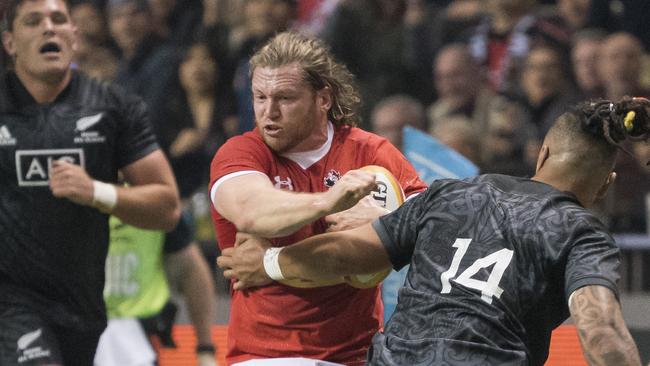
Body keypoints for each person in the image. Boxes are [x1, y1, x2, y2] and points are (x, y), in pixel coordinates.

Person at [218, 97, 649, 365]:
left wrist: (268, 262)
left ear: (544, 153)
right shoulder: (583, 235)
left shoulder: (451, 195)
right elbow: (601, 330)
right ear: (605, 187)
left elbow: (345, 255)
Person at [208, 31, 427, 365]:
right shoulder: (241, 153)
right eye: (260, 97)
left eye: (285, 98)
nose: (269, 112)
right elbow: (252, 211)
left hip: (354, 355)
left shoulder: (370, 153)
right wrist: (329, 202)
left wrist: (386, 223)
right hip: (264, 356)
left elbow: (433, 228)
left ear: (323, 99)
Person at [0, 0, 181, 365]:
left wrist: (97, 192)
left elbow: (167, 209)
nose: (49, 28)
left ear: (75, 36)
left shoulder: (114, 108)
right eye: (33, 21)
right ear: (10, 43)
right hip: (11, 300)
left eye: (58, 20)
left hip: (83, 304)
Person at [94, 213, 218, 366]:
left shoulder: (155, 201)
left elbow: (191, 267)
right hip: (77, 324)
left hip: (138, 332)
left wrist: (205, 349)